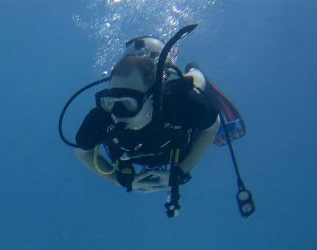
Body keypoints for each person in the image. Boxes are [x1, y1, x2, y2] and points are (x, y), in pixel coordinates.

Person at [73, 36, 220, 193]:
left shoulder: (181, 103)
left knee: (195, 83)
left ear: (152, 98)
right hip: (144, 153)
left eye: (128, 102)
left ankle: (194, 70)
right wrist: (117, 180)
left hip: (176, 138)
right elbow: (83, 153)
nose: (117, 113)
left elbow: (212, 125)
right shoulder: (104, 116)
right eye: (111, 101)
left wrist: (181, 170)